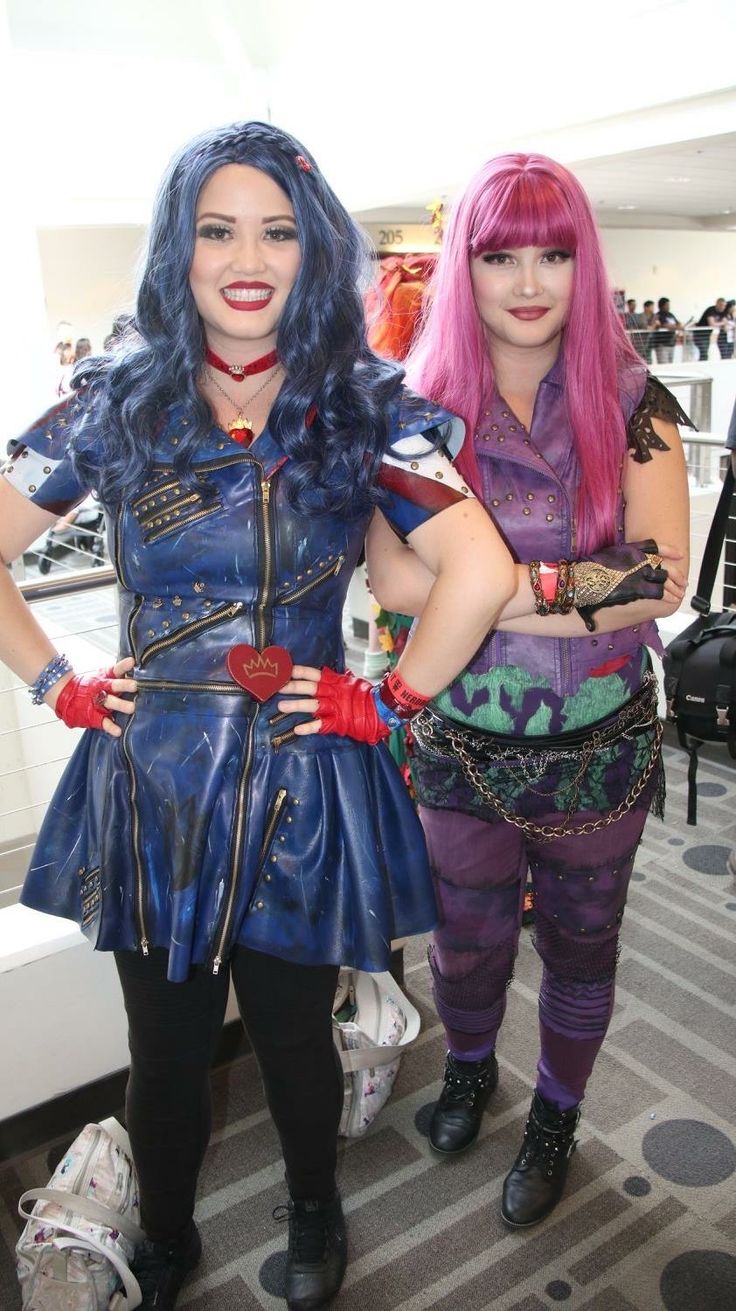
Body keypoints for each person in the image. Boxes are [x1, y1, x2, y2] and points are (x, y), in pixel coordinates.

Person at [0, 122, 515, 1311]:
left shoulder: (364, 405)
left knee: (290, 1035)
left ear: (312, 249)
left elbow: (475, 574)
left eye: (277, 230)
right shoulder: (111, 406)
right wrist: (57, 683)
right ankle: (168, 1233)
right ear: (177, 250)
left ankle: (312, 1210)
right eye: (217, 228)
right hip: (155, 780)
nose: (248, 255)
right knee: (167, 1046)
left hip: (297, 773)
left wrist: (381, 699)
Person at [364, 153, 690, 1229]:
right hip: (459, 745)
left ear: (582, 263)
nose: (528, 280)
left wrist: (489, 584)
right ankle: (468, 1067)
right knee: (465, 947)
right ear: (466, 267)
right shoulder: (416, 411)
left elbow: (656, 579)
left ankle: (555, 1111)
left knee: (583, 949)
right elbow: (395, 580)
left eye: (553, 252)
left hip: (602, 747)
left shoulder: (633, 401)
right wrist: (564, 589)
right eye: (500, 255)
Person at [693, 297, 727, 361]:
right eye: (721, 305)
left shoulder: (722, 312)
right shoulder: (711, 310)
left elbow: (725, 323)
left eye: (724, 306)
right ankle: (700, 366)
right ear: (716, 304)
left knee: (705, 354)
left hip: (707, 335)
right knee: (704, 353)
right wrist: (722, 323)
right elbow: (711, 323)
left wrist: (723, 323)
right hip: (699, 335)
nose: (722, 307)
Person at [651, 296, 682, 364]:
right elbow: (666, 325)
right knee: (663, 365)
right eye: (667, 305)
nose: (668, 306)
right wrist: (677, 327)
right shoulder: (658, 315)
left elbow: (678, 323)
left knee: (670, 365)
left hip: (671, 344)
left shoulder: (671, 314)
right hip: (662, 345)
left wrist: (678, 325)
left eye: (669, 305)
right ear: (662, 306)